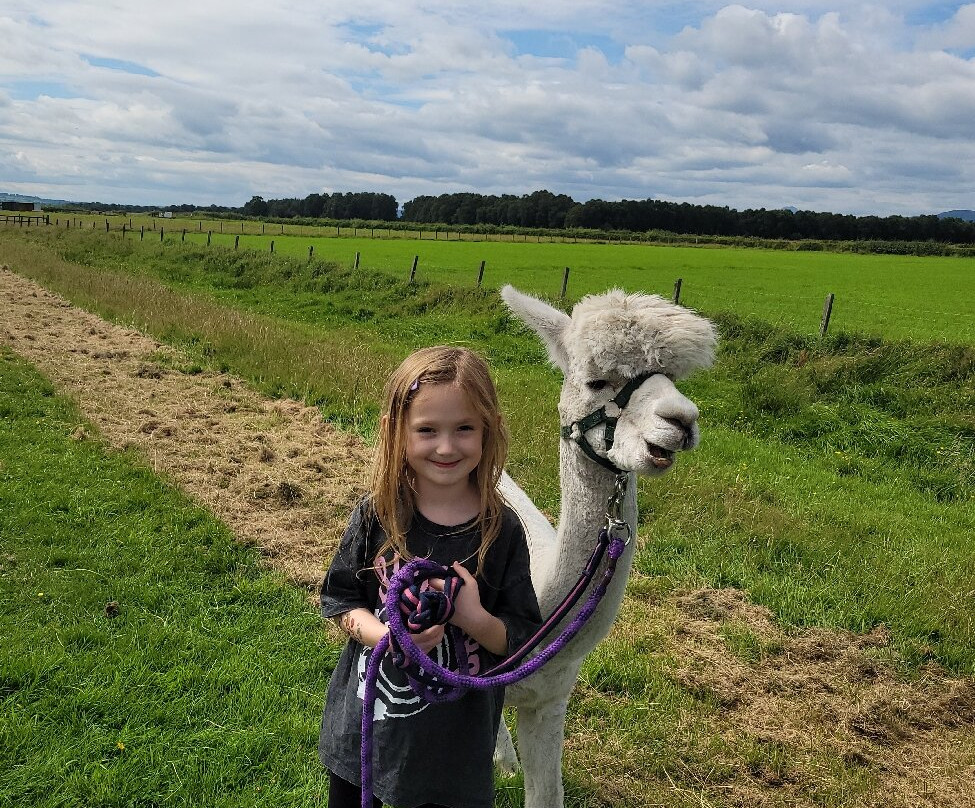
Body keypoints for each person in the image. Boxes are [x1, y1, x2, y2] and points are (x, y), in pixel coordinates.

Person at [319, 346, 542, 808]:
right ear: (395, 433)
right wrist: (387, 635)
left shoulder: (502, 531)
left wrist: (474, 618)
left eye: (464, 428)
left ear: (489, 431)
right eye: (427, 430)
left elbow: (520, 638)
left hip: (452, 757)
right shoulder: (378, 514)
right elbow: (341, 599)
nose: (446, 446)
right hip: (365, 736)